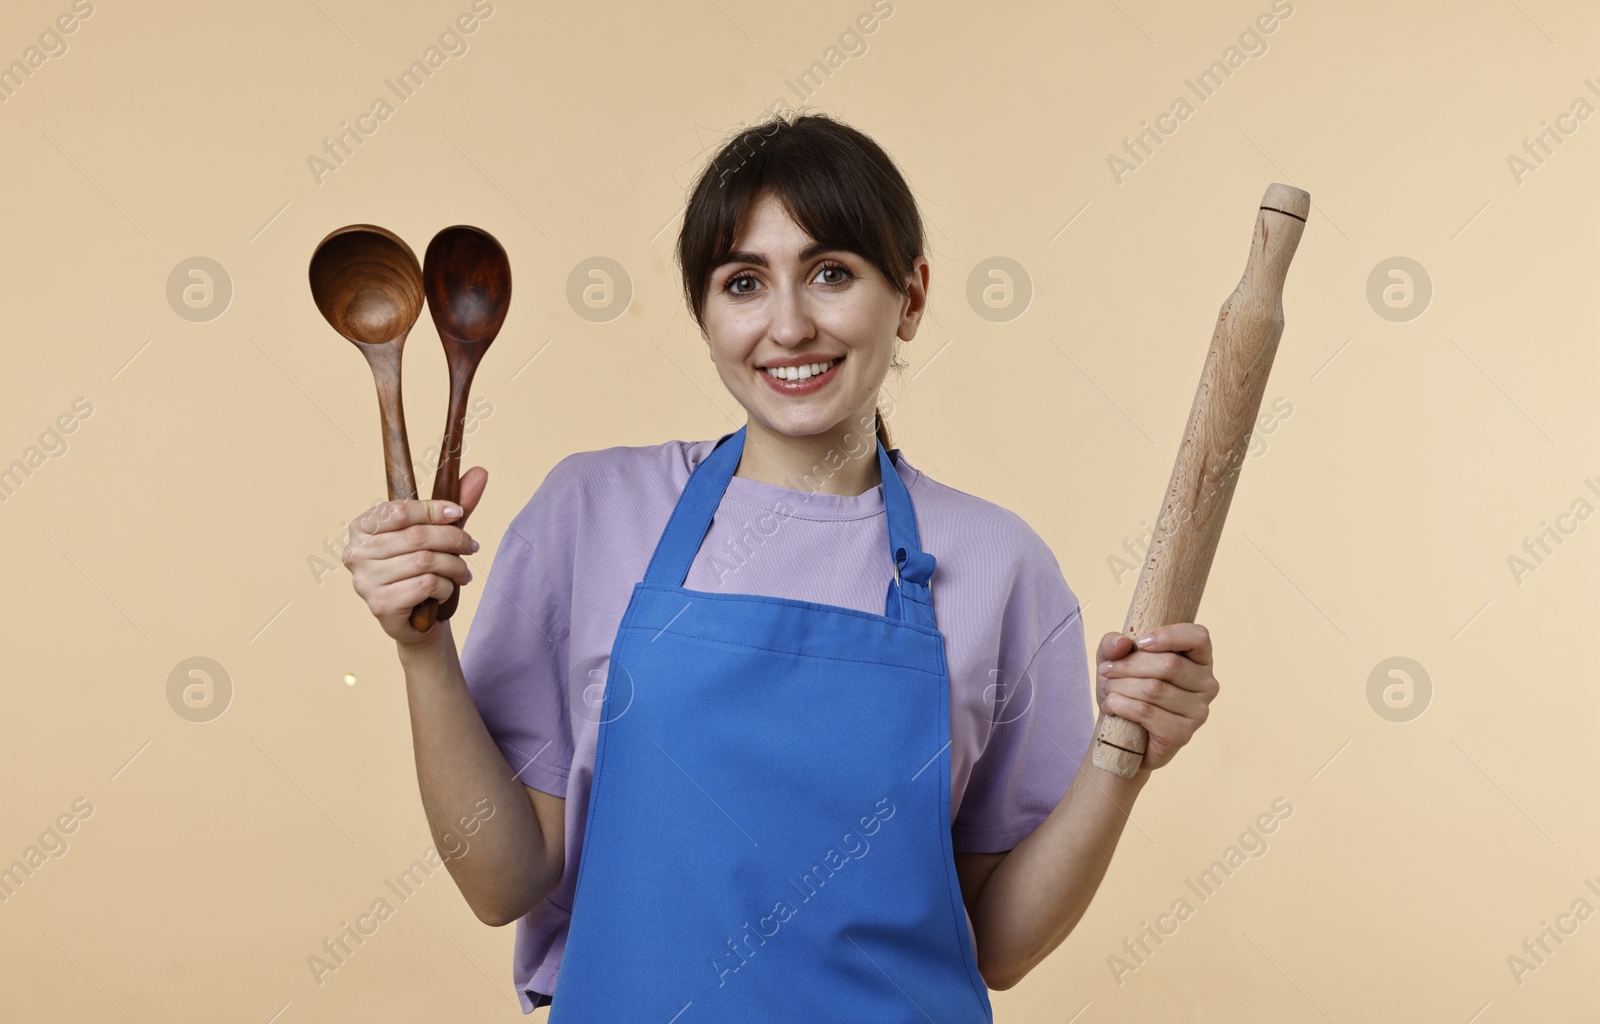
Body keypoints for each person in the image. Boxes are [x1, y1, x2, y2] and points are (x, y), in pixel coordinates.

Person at [341, 111, 1219, 1019]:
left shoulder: (999, 565)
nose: (789, 325)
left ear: (911, 296)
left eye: (831, 273)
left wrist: (1127, 757)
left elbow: (996, 942)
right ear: (706, 312)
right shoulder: (592, 513)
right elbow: (502, 880)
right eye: (744, 282)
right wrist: (420, 649)